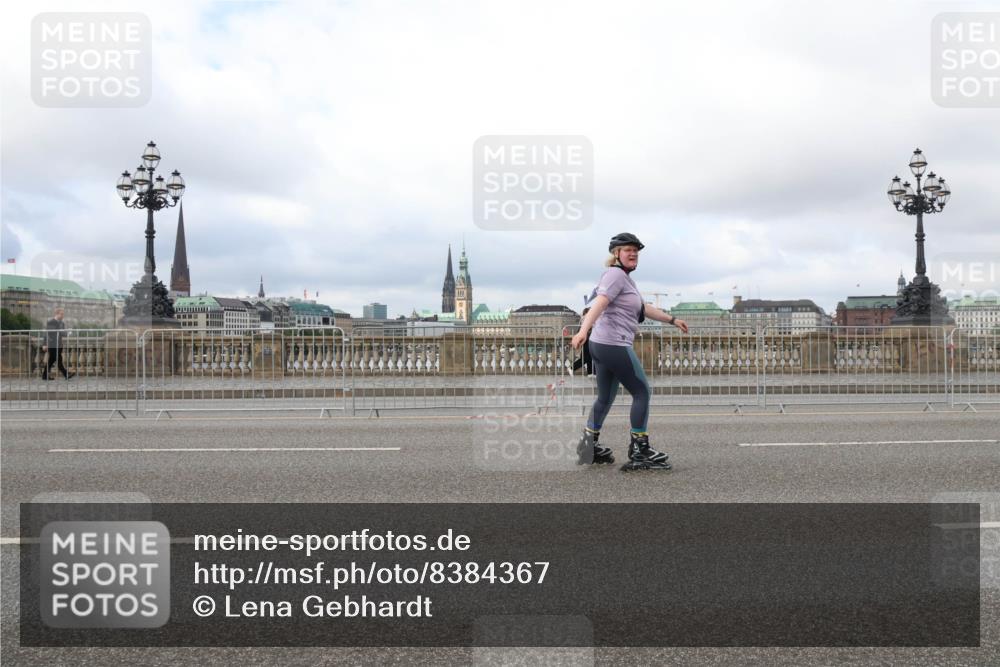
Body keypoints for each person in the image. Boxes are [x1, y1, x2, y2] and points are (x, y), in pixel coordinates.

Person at [571, 233, 688, 471]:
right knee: (642, 391)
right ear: (616, 254)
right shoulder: (615, 275)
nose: (633, 253)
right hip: (613, 344)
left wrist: (672, 319)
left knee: (605, 397)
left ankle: (588, 445)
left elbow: (643, 308)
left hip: (601, 344)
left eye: (636, 250)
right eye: (628, 250)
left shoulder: (624, 279)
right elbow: (600, 303)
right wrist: (582, 330)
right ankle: (640, 450)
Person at [41, 307, 75, 380]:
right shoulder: (51, 322)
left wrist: (67, 333)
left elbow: (61, 333)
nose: (63, 316)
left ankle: (44, 376)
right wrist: (44, 344)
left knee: (51, 361)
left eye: (63, 314)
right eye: (61, 314)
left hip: (59, 344)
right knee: (59, 359)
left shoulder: (62, 323)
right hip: (52, 344)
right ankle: (66, 374)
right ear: (57, 314)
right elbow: (48, 333)